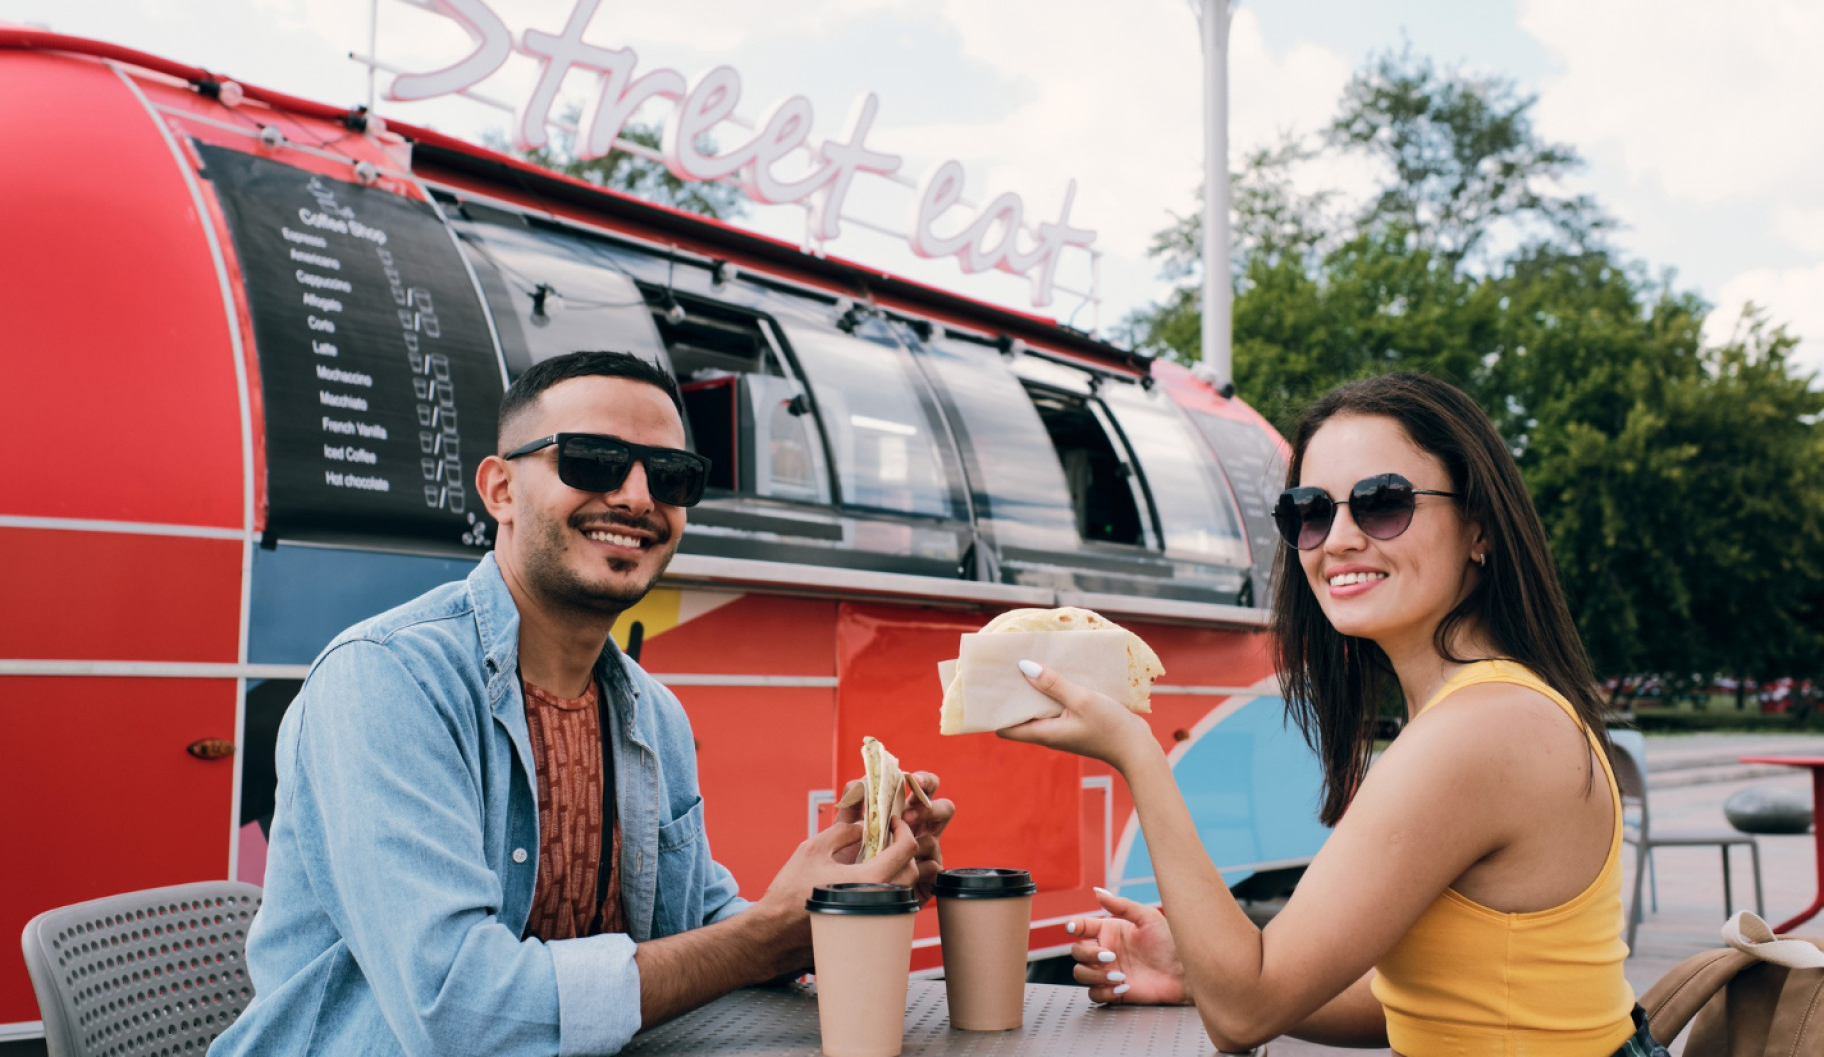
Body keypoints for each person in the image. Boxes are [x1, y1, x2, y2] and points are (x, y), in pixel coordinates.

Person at [212, 350, 954, 1057]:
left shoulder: (652, 712)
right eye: (591, 462)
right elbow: (460, 1014)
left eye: (671, 475)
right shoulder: (386, 682)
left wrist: (845, 890)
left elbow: (699, 931)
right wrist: (761, 936)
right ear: (500, 489)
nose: (637, 497)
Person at [1001, 373, 1664, 1055]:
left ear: (1479, 530)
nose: (1338, 539)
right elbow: (1411, 997)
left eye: (1381, 504)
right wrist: (1194, 970)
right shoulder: (1491, 705)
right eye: (1311, 512)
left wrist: (1136, 753)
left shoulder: (1482, 727)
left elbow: (1245, 1015)